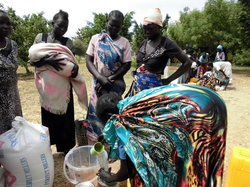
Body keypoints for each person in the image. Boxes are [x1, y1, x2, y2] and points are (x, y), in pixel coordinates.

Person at [96, 84, 227, 187]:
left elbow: (124, 172)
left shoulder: (122, 123)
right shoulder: (135, 103)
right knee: (208, 157)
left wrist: (109, 176)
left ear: (110, 118)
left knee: (194, 164)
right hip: (209, 100)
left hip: (198, 113)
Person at [30, 10, 88, 154]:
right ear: (52, 23)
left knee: (65, 121)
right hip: (47, 91)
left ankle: (65, 149)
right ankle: (49, 146)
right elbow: (33, 60)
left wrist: (57, 64)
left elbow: (69, 63)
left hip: (63, 91)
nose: (62, 30)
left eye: (65, 27)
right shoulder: (41, 38)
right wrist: (49, 61)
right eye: (60, 26)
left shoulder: (67, 42)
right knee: (49, 120)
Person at [85, 10, 132, 143]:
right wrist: (100, 77)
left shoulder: (124, 43)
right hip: (98, 85)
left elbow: (127, 64)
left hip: (114, 86)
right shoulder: (96, 39)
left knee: (113, 115)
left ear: (121, 26)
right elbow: (88, 60)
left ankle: (114, 145)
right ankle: (96, 142)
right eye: (112, 25)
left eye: (117, 26)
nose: (114, 28)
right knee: (97, 112)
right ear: (107, 21)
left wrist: (109, 79)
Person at [126, 8, 191, 96]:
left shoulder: (167, 44)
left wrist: (168, 80)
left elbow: (187, 62)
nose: (147, 31)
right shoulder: (144, 43)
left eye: (150, 28)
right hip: (137, 89)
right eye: (145, 28)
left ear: (159, 27)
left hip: (154, 92)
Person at [0, 10, 22, 134]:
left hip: (13, 97)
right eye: (1, 23)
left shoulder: (13, 45)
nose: (5, 27)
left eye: (8, 24)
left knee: (15, 130)